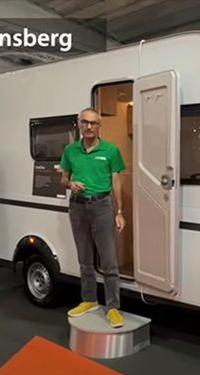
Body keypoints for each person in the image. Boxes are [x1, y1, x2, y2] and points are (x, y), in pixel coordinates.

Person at [60, 107, 127, 328]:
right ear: (79, 124)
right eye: (84, 122)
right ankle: (89, 300)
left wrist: (119, 211)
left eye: (93, 123)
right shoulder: (70, 150)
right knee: (84, 258)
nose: (88, 127)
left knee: (109, 260)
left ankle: (113, 307)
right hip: (77, 207)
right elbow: (63, 179)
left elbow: (116, 182)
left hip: (102, 206)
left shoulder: (111, 150)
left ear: (100, 126)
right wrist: (70, 184)